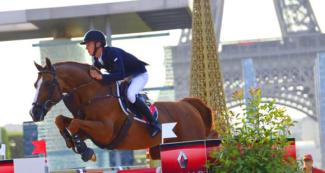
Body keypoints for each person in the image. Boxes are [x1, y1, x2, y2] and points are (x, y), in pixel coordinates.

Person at [80, 29, 161, 137]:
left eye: (88, 44)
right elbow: (96, 73)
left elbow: (120, 74)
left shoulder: (112, 53)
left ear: (98, 44)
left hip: (139, 75)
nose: (86, 47)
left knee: (130, 95)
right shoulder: (97, 58)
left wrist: (101, 76)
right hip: (127, 78)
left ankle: (154, 123)